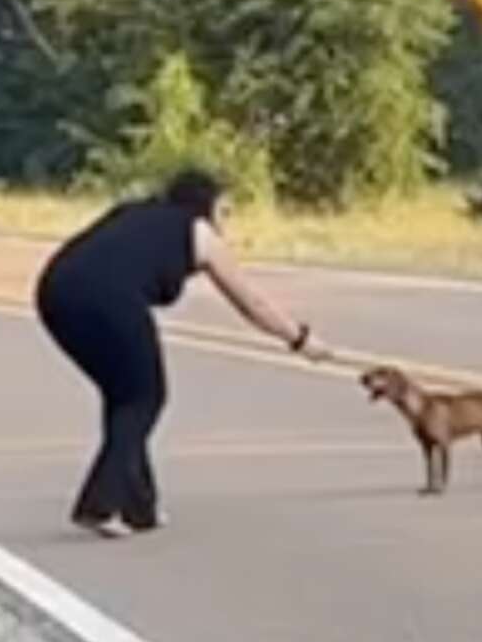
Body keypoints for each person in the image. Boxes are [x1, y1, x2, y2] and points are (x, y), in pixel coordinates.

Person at [35, 169, 332, 538]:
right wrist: (300, 340)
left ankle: (139, 507)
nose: (227, 221)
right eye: (224, 210)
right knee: (147, 397)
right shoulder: (200, 232)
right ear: (206, 206)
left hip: (54, 291)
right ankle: (98, 503)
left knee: (125, 396)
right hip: (109, 298)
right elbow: (250, 303)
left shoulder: (134, 212)